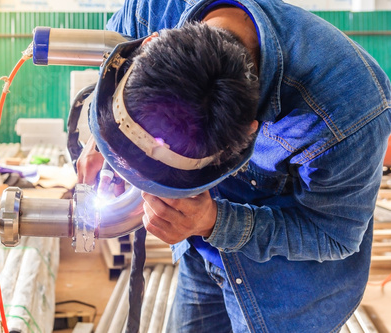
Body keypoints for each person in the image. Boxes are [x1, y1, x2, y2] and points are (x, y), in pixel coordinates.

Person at [77, 0, 391, 332]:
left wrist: (214, 221)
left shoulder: (349, 112)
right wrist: (111, 143)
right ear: (149, 44)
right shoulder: (152, 9)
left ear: (250, 131)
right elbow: (111, 58)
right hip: (203, 252)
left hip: (286, 289)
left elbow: (333, 235)